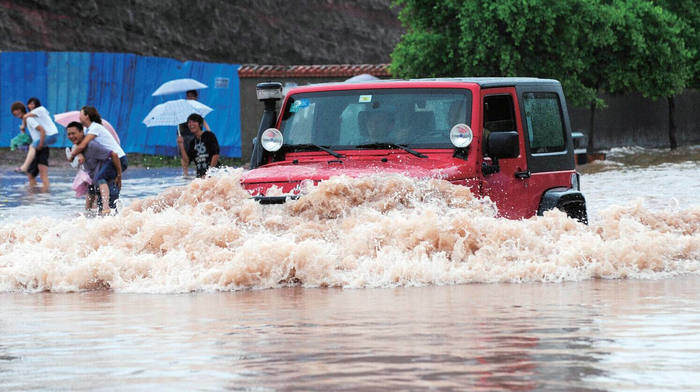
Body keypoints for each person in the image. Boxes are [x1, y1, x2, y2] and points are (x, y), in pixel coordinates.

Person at [66, 122, 123, 215]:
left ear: (81, 132)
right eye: (69, 134)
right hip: (95, 185)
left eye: (73, 133)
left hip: (107, 186)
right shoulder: (78, 149)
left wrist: (119, 176)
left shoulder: (92, 145)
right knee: (90, 212)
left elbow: (113, 154)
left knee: (109, 213)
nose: (71, 136)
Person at [68, 106, 128, 179]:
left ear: (87, 116)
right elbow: (78, 142)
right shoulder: (87, 130)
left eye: (80, 115)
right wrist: (80, 154)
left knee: (100, 179)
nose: (79, 117)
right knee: (100, 182)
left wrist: (72, 155)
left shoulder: (95, 128)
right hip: (109, 159)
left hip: (119, 158)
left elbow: (82, 145)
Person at [10, 102, 55, 191]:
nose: (16, 115)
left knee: (38, 175)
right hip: (40, 147)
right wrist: (23, 130)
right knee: (35, 175)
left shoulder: (29, 119)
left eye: (16, 113)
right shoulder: (27, 119)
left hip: (40, 147)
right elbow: (31, 135)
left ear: (19, 111)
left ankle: (37, 198)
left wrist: (40, 144)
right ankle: (41, 197)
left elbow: (42, 130)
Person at [14, 98, 59, 176]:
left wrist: (23, 126)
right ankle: (26, 170)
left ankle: (24, 168)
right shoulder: (34, 115)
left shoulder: (39, 109)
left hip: (50, 135)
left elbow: (26, 117)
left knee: (32, 147)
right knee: (37, 174)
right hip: (50, 136)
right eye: (30, 104)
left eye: (33, 104)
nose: (31, 106)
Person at [177, 89, 210, 176]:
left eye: (192, 96)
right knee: (184, 156)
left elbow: (203, 120)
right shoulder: (182, 108)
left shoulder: (198, 108)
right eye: (188, 96)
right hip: (184, 135)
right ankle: (185, 174)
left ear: (196, 98)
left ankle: (198, 172)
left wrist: (208, 131)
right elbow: (179, 121)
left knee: (198, 155)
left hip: (195, 136)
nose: (190, 98)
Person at [177, 113, 219, 178]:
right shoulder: (192, 142)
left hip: (214, 174)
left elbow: (215, 155)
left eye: (194, 122)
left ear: (200, 124)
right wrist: (181, 145)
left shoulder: (209, 136)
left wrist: (209, 173)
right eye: (189, 122)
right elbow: (187, 161)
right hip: (200, 177)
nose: (191, 124)